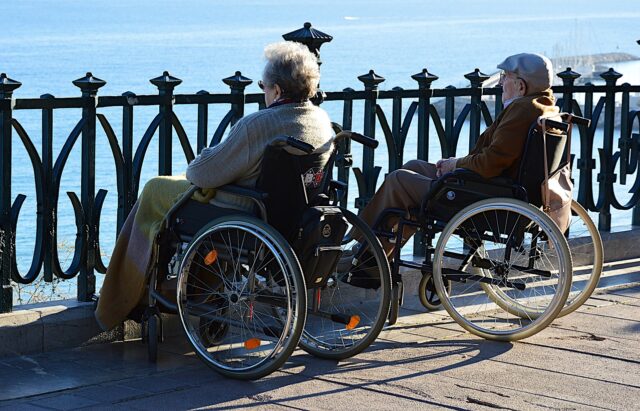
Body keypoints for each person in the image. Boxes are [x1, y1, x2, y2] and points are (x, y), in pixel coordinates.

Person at [95, 41, 334, 331]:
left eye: (264, 86)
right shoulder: (322, 121)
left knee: (155, 189)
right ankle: (185, 290)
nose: (264, 91)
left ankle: (121, 297)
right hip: (291, 216)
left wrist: (208, 154)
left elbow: (201, 174)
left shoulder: (259, 125)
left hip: (245, 210)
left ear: (278, 90)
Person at [359, 53, 559, 254]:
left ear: (521, 86)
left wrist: (455, 165)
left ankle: (363, 249)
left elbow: (490, 163)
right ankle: (372, 255)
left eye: (505, 77)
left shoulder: (522, 110)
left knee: (399, 180)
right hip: (500, 190)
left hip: (488, 195)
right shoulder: (544, 107)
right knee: (413, 167)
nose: (500, 83)